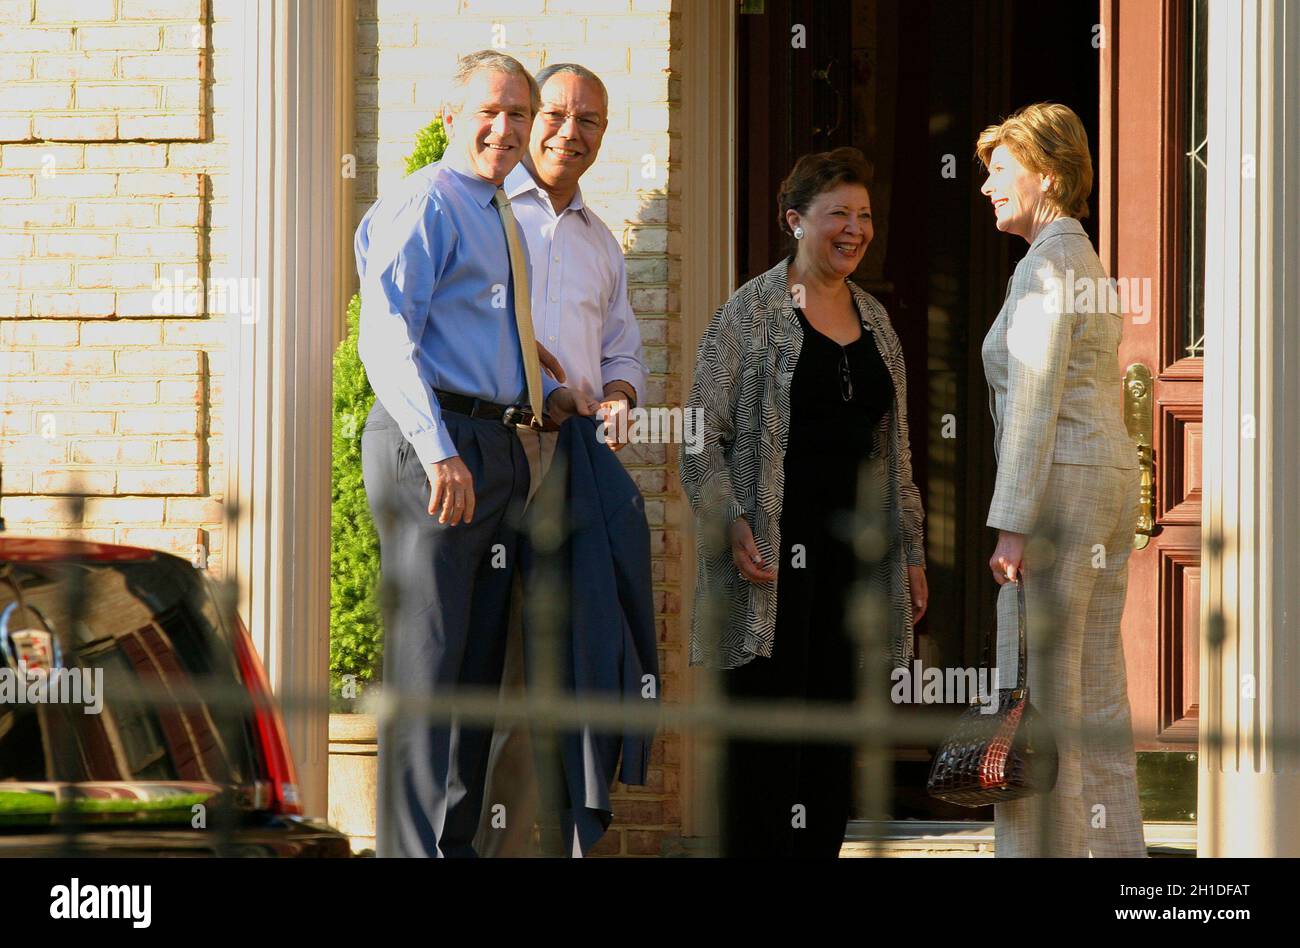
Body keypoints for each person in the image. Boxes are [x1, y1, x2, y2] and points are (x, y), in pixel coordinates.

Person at [355, 49, 597, 858]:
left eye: (520, 115)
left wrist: (542, 394)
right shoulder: (425, 202)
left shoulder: (496, 213)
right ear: (449, 118)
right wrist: (437, 452)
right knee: (427, 677)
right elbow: (387, 338)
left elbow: (479, 331)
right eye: (489, 111)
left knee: (473, 678)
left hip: (496, 445)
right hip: (438, 450)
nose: (506, 128)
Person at [680, 146, 927, 857]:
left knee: (829, 752)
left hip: (856, 569)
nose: (855, 228)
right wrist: (728, 520)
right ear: (795, 221)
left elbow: (898, 456)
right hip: (768, 568)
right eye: (837, 214)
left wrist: (910, 553)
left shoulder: (877, 321)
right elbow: (699, 433)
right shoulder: (749, 313)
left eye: (865, 216)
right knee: (764, 757)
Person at [474, 62, 647, 857]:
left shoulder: (600, 243)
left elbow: (621, 348)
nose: (568, 134)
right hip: (489, 453)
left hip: (569, 466)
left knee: (574, 663)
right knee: (499, 671)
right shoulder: (482, 213)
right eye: (555, 115)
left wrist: (616, 394)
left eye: (590, 124)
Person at [976, 101, 1146, 857]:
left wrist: (1012, 520)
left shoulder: (1046, 266)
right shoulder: (1084, 258)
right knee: (1094, 701)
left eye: (1000, 171)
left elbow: (1037, 396)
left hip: (1057, 497)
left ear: (1044, 174)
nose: (986, 187)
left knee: (1037, 702)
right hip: (1102, 486)